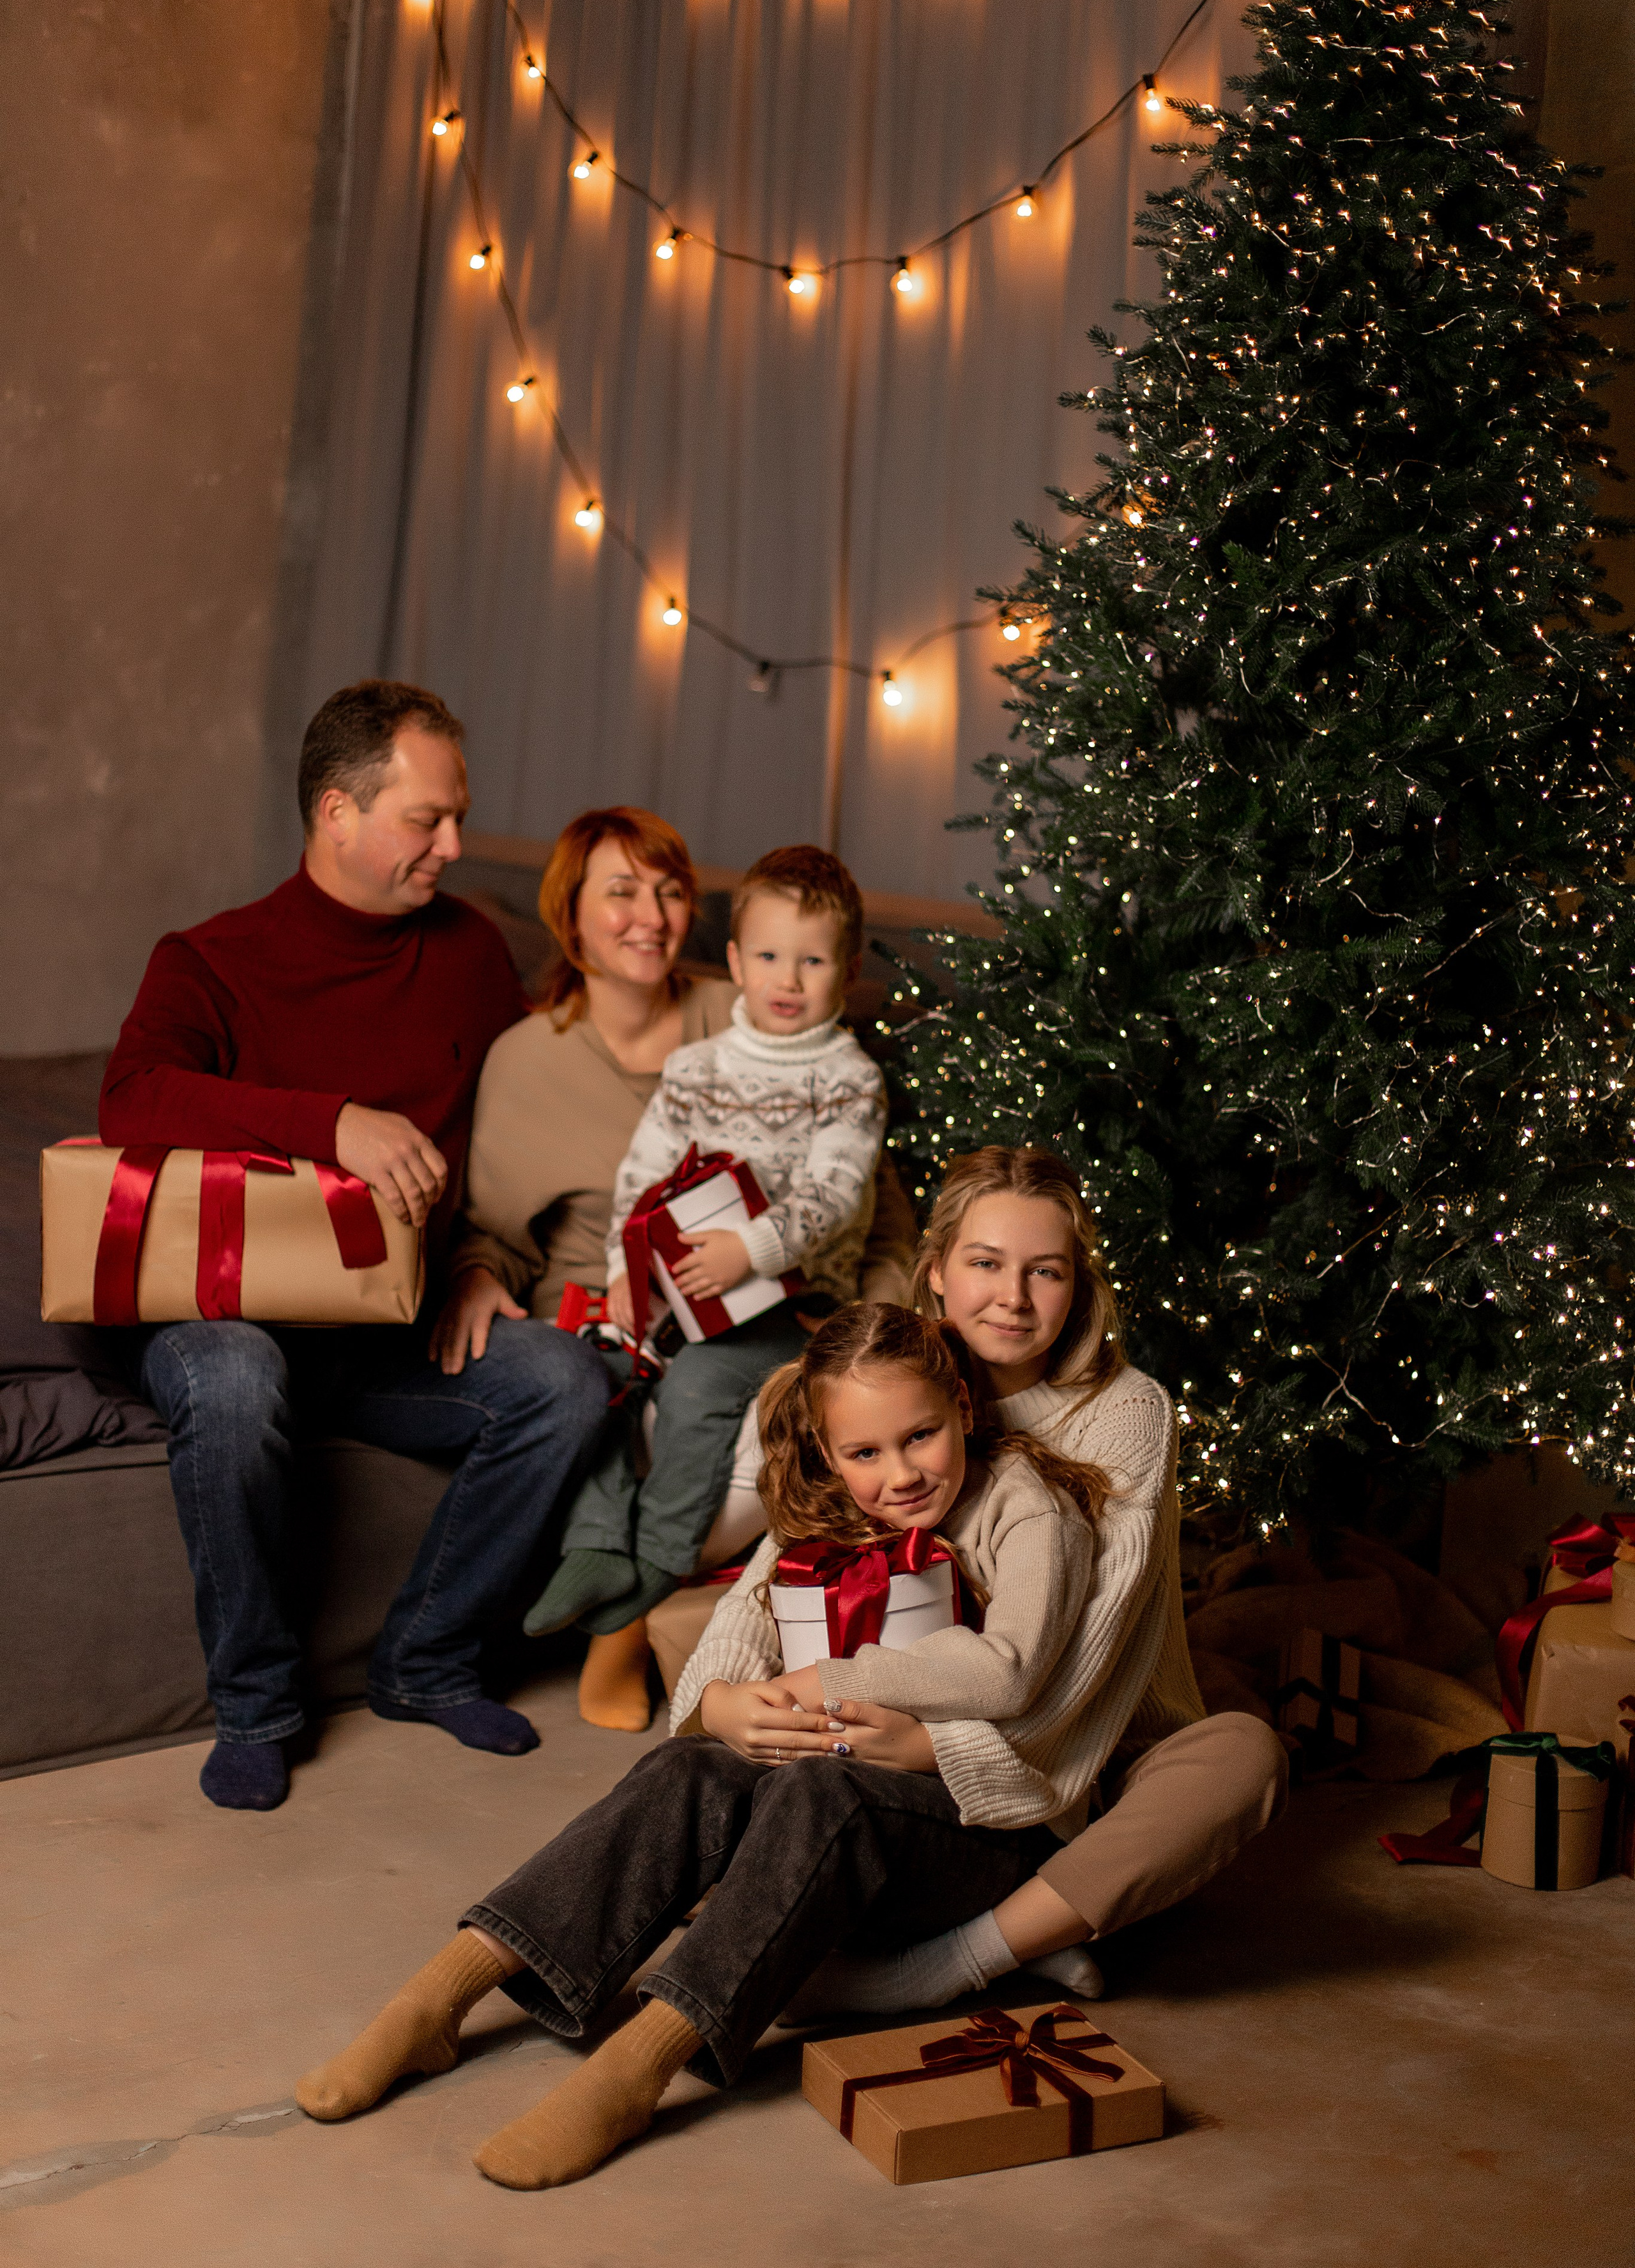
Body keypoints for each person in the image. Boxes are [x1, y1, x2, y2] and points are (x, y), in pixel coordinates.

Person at [294, 1302, 1110, 2191]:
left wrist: (833, 1683)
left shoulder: (1030, 1508)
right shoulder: (835, 1505)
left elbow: (1011, 1674)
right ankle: (439, 1998)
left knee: (818, 1795)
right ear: (831, 1452)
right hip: (838, 1806)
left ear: (960, 1404)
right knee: (688, 1767)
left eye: (921, 1437)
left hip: (990, 1830)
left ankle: (637, 2065)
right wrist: (725, 1707)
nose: (901, 1475)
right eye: (864, 1453)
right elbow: (731, 1641)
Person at [100, 681, 610, 1813]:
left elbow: (516, 1134)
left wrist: (488, 1260)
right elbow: (132, 1097)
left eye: (457, 816)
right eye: (427, 820)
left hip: (395, 1322)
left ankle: (425, 1661)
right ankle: (257, 1706)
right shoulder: (209, 958)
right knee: (233, 1381)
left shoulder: (472, 952)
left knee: (567, 1386)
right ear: (337, 812)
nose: (457, 844)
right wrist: (329, 1121)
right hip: (226, 1313)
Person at [778, 1145, 1288, 2015]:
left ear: (1078, 1285)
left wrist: (942, 1752)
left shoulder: (1129, 1412)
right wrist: (714, 1708)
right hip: (901, 1703)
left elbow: (1083, 1663)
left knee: (1243, 1756)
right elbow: (777, 1560)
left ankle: (951, 1962)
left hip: (1082, 1739)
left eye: (1044, 1271)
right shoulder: (884, 1379)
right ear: (935, 1272)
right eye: (984, 1264)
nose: (1012, 1298)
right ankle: (1031, 1929)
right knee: (741, 1685)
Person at [436, 813, 914, 1729]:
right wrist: (610, 1270)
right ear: (569, 918)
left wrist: (856, 1317)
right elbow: (608, 1188)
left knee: (715, 1405)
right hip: (640, 1300)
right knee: (583, 1383)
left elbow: (851, 1195)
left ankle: (639, 1593)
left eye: (667, 892)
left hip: (776, 1303)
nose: (649, 915)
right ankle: (599, 1556)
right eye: (621, 891)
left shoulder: (817, 1057)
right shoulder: (648, 1061)